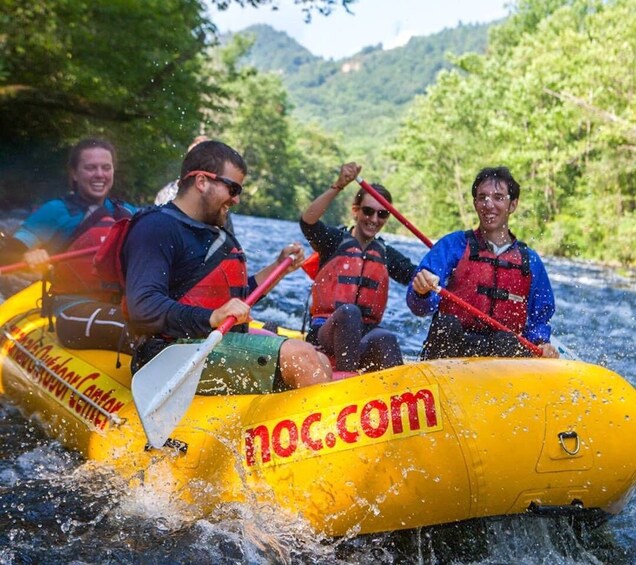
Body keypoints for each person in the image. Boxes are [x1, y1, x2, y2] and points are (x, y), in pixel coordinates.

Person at [121, 140, 332, 394]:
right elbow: (142, 306)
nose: (237, 199)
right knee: (301, 358)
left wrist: (278, 268)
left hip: (211, 344)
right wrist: (211, 317)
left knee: (320, 360)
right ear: (202, 182)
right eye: (232, 189)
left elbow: (234, 300)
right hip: (167, 357)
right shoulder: (156, 228)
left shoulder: (210, 231)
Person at [407, 166, 559, 359]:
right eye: (482, 197)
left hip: (501, 356)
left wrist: (541, 343)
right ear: (475, 203)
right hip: (453, 349)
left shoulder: (531, 261)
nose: (489, 204)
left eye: (498, 197)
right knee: (446, 326)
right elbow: (418, 306)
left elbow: (540, 319)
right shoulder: (453, 245)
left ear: (513, 205)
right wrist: (422, 292)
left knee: (508, 340)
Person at [0, 138, 136, 352]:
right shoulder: (55, 211)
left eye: (105, 167)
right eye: (90, 168)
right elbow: (8, 253)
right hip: (70, 308)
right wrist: (28, 256)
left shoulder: (127, 212)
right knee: (134, 326)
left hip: (116, 305)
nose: (99, 174)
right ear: (74, 173)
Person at [300, 162, 417, 372]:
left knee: (386, 338)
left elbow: (416, 276)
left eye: (382, 214)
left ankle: (401, 396)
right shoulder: (333, 240)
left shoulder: (386, 253)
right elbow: (307, 222)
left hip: (364, 334)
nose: (374, 219)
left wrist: (433, 277)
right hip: (326, 330)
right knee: (349, 313)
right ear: (355, 211)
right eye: (368, 211)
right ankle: (346, 379)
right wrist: (339, 185)